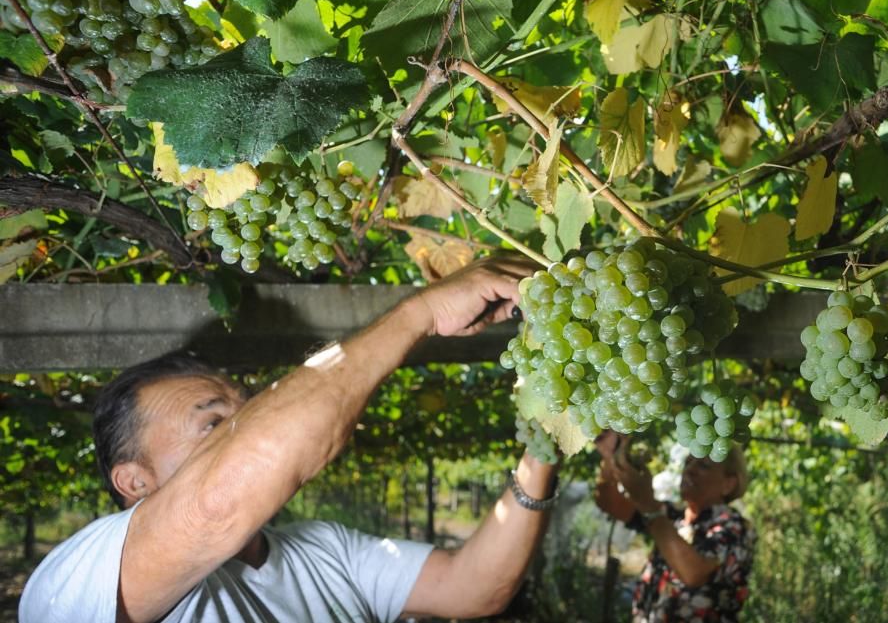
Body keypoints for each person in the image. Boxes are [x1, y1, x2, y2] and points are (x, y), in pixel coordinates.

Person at [19, 258, 560, 623]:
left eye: (248, 410)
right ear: (135, 481)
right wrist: (420, 313)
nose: (249, 423)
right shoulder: (74, 581)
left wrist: (544, 440)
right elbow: (214, 505)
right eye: (215, 424)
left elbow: (474, 587)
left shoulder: (323, 548)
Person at [595, 432, 754, 623]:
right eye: (688, 462)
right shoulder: (674, 518)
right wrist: (611, 457)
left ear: (729, 484)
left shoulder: (735, 527)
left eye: (703, 465)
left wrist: (647, 503)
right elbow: (609, 503)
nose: (690, 470)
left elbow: (694, 573)